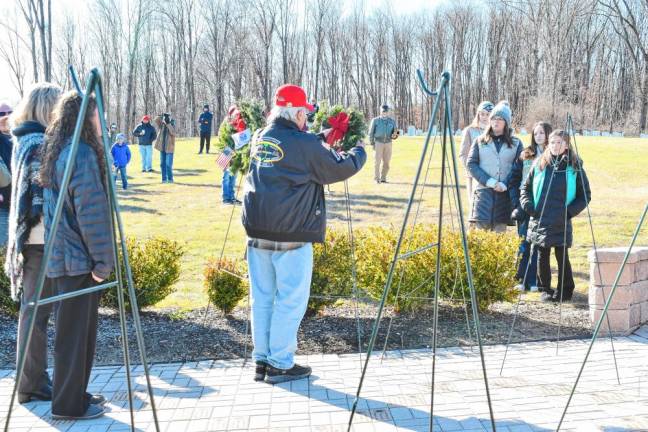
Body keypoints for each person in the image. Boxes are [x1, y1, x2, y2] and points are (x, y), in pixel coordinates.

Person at [242, 84, 366, 384]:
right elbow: (338, 167)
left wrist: (317, 139)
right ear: (297, 112)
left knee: (262, 299)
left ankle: (261, 361)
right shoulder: (304, 144)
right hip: (291, 235)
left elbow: (296, 151)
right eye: (305, 114)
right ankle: (280, 364)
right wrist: (359, 149)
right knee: (290, 301)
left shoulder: (261, 137)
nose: (307, 120)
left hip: (257, 233)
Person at [40, 91, 114, 420]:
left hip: (66, 258)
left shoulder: (64, 150)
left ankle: (75, 394)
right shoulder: (80, 154)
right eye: (98, 114)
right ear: (86, 117)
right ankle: (67, 405)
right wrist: (103, 262)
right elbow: (91, 214)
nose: (103, 121)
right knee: (73, 337)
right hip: (76, 260)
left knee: (78, 334)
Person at [4, 83, 61, 405]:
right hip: (39, 239)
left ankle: (34, 380)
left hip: (34, 240)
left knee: (35, 314)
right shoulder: (37, 143)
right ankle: (30, 385)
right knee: (36, 315)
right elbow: (37, 196)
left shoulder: (25, 139)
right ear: (47, 109)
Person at [520, 130, 591, 302]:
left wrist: (569, 212)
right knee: (542, 254)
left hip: (561, 218)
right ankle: (545, 288)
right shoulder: (539, 164)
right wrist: (529, 207)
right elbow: (525, 189)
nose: (555, 146)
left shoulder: (574, 167)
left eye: (559, 142)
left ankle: (565, 289)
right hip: (540, 217)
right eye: (552, 142)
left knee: (562, 255)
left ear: (566, 145)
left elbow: (585, 195)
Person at [467, 101, 523, 232]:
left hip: (504, 196)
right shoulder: (480, 141)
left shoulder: (516, 143)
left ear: (506, 123)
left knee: (498, 237)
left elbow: (519, 167)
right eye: (493, 118)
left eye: (500, 119)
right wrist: (490, 181)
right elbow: (471, 164)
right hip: (483, 194)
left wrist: (505, 183)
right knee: (479, 236)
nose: (496, 122)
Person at [509, 121, 552, 292]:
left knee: (537, 242)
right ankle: (520, 278)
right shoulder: (525, 155)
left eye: (542, 133)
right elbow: (513, 179)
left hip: (542, 204)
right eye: (536, 133)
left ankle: (534, 280)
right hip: (524, 203)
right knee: (523, 240)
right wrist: (515, 203)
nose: (539, 136)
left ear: (548, 135)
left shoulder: (553, 154)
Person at [460, 101, 494, 209]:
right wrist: (472, 170)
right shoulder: (469, 130)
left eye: (488, 114)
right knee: (475, 206)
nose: (484, 117)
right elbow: (463, 154)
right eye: (482, 114)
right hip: (473, 174)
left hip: (491, 174)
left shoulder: (495, 131)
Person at [368, 104, 397, 184]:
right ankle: (377, 178)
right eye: (383, 111)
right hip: (378, 142)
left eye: (386, 111)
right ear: (380, 111)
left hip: (388, 143)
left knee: (387, 162)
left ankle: (383, 178)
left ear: (388, 112)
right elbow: (371, 133)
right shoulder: (375, 120)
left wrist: (395, 135)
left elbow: (395, 132)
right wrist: (372, 143)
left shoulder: (392, 121)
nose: (384, 113)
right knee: (377, 162)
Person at [0, 101, 14, 246]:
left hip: (19, 208)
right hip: (2, 208)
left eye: (9, 113)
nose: (6, 117)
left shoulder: (21, 139)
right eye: (1, 114)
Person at [154, 112, 176, 183]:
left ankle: (170, 179)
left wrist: (168, 123)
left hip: (169, 148)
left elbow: (173, 132)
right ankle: (164, 179)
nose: (167, 118)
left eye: (168, 117)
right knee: (162, 164)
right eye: (166, 117)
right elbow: (156, 120)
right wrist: (161, 116)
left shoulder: (172, 123)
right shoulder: (162, 124)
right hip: (162, 147)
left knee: (168, 165)